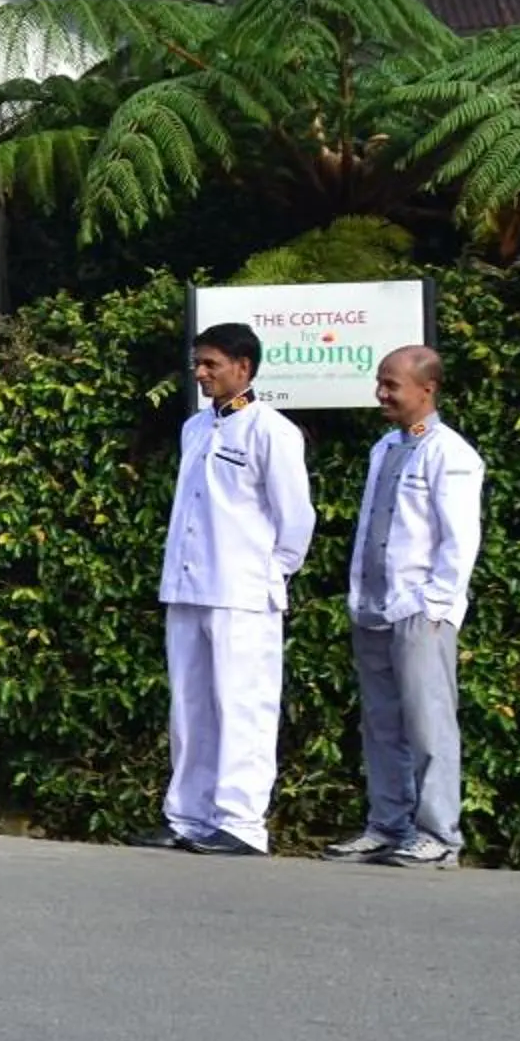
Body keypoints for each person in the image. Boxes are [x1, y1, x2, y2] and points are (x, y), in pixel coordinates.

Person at [133, 321, 314, 857]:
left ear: (244, 366)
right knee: (190, 708)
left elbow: (295, 519)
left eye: (211, 363)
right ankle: (187, 815)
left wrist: (269, 574)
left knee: (243, 706)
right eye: (198, 363)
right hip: (188, 585)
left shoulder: (270, 430)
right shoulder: (196, 428)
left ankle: (240, 822)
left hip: (242, 592)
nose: (201, 373)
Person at [324, 346, 484, 870]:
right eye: (380, 382)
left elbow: (459, 541)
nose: (382, 393)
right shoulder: (384, 448)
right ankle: (388, 824)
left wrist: (437, 605)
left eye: (392, 385)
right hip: (373, 605)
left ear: (427, 389)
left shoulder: (451, 453)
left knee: (428, 723)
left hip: (420, 610)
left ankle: (439, 834)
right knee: (381, 723)